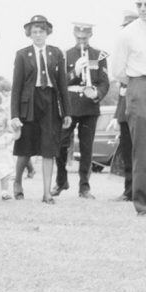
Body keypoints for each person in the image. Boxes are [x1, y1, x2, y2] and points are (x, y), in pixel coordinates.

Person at [109, 0, 146, 217]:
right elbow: (118, 71)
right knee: (142, 150)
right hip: (140, 86)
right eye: (139, 4)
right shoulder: (128, 34)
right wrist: (138, 84)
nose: (143, 9)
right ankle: (142, 204)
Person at [10, 15, 71, 204]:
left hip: (50, 102)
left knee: (49, 148)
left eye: (41, 31)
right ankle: (18, 182)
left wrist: (67, 112)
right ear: (29, 34)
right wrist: (14, 115)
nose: (38, 35)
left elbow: (62, 85)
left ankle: (46, 193)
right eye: (34, 32)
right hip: (29, 103)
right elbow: (16, 87)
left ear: (47, 33)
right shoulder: (22, 54)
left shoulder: (56, 53)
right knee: (25, 147)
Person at [55, 23, 109, 198]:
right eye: (78, 38)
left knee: (86, 148)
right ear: (73, 35)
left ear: (90, 35)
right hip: (70, 106)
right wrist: (75, 72)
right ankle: (61, 181)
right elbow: (60, 82)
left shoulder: (98, 56)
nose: (81, 41)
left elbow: (104, 82)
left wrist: (97, 94)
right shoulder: (65, 54)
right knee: (61, 144)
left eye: (84, 38)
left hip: (89, 106)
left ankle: (84, 187)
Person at [110, 9, 138, 199]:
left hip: (140, 104)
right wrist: (117, 114)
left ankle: (141, 190)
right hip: (125, 108)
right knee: (128, 152)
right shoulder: (123, 47)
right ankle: (129, 190)